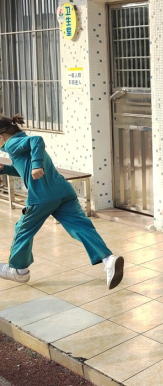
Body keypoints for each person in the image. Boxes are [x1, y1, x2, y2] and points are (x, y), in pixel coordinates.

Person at [0, 114, 124, 289]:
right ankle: (108, 259)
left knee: (22, 230)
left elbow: (37, 140)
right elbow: (24, 168)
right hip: (63, 192)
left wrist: (37, 165)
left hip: (41, 198)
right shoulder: (20, 142)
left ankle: (18, 270)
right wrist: (5, 169)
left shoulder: (11, 144)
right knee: (81, 227)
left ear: (1, 136)